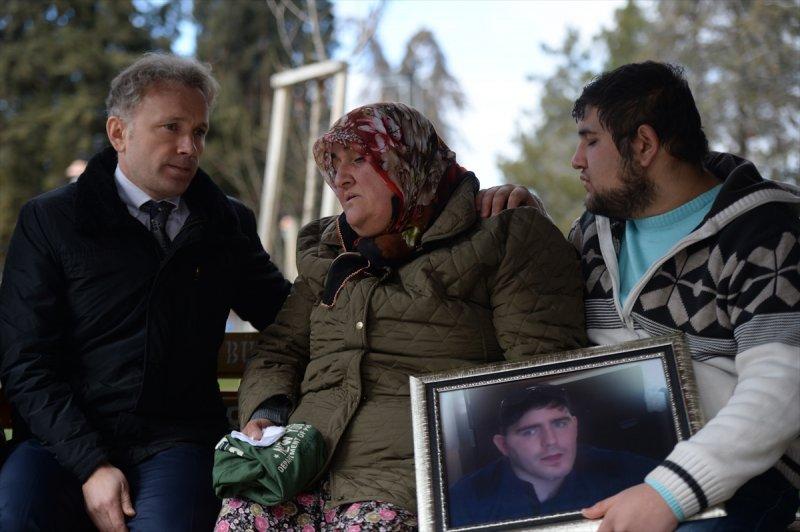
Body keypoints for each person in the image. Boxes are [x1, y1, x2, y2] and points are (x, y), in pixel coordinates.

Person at [214, 102, 588, 530]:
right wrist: (267, 413)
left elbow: (542, 376)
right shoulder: (330, 254)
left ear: (407, 163)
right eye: (334, 165)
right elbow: (281, 348)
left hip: (412, 481)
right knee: (241, 519)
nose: (341, 177)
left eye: (360, 159)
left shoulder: (502, 235)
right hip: (298, 466)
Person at [0, 53, 292, 531]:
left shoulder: (223, 222)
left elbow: (287, 319)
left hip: (178, 442)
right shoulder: (50, 220)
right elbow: (25, 360)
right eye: (171, 127)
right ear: (119, 133)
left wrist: (268, 405)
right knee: (16, 516)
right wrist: (91, 465)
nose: (189, 147)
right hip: (59, 441)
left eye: (199, 132)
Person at [566, 62, 799, 532]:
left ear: (644, 145)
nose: (577, 159)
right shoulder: (592, 234)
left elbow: (782, 386)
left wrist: (669, 493)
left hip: (748, 474)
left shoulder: (768, 230)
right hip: (614, 464)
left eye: (591, 141)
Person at [448, 385, 656, 527]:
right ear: (503, 445)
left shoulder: (623, 471)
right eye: (529, 431)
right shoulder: (466, 500)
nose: (551, 441)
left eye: (560, 424)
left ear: (575, 427)